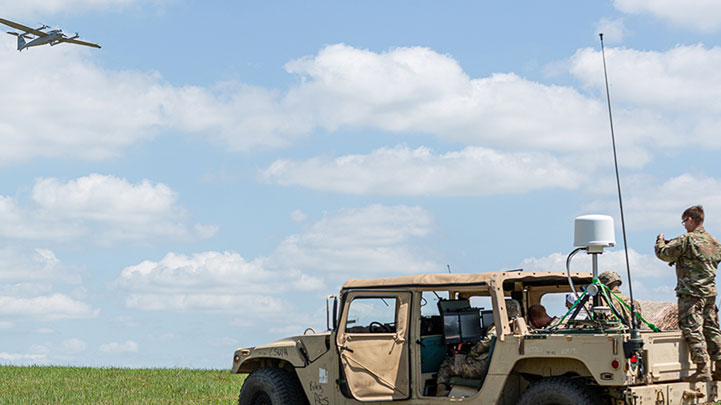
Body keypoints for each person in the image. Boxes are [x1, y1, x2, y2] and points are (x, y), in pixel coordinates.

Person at [655, 205, 721, 382]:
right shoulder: (714, 242)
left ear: (690, 219)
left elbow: (664, 254)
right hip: (710, 294)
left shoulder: (686, 239)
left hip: (691, 293)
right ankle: (720, 367)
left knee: (692, 329)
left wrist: (660, 240)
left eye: (684, 221)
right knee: (712, 329)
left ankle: (702, 370)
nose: (684, 225)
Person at [436, 299, 521, 396]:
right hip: (499, 364)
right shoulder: (518, 327)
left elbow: (483, 345)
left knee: (447, 364)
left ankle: (440, 393)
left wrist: (470, 353)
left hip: (484, 366)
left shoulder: (498, 328)